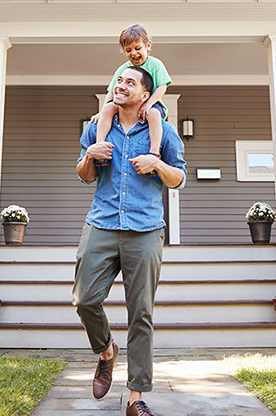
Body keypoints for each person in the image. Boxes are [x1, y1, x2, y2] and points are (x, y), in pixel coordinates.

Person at [74, 66, 187, 416]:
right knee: (84, 299)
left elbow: (179, 176)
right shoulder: (96, 126)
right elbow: (84, 174)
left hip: (145, 228)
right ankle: (107, 351)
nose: (121, 86)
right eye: (118, 81)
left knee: (141, 314)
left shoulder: (162, 130)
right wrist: (90, 155)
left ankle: (136, 398)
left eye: (129, 82)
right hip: (102, 223)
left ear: (144, 93)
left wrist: (157, 163)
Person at [92, 24, 171, 172]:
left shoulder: (155, 64)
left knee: (153, 113)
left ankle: (154, 152)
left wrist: (148, 104)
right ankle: (100, 147)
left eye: (137, 48)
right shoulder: (123, 69)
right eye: (128, 50)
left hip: (151, 102)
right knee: (109, 108)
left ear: (148, 46)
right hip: (128, 104)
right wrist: (102, 111)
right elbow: (111, 92)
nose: (134, 53)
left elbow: (162, 87)